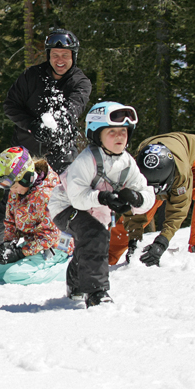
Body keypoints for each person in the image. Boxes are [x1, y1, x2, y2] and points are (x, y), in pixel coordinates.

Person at [0, 28, 92, 265]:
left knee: (68, 196)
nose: (60, 60)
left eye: (65, 56)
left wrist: (58, 123)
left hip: (61, 149)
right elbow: (10, 105)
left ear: (73, 57)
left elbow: (74, 107)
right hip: (27, 151)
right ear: (48, 55)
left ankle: (71, 245)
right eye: (55, 55)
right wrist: (32, 125)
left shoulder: (80, 82)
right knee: (15, 196)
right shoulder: (31, 77)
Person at [48, 101, 155, 307]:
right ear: (97, 134)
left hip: (96, 213)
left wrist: (137, 200)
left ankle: (76, 284)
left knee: (92, 241)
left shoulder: (127, 163)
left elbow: (146, 191)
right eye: (112, 132)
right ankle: (97, 292)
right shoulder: (87, 160)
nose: (119, 136)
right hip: (65, 208)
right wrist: (103, 198)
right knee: (95, 235)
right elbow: (78, 197)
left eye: (123, 131)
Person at [0, 147, 74, 285]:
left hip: (56, 246)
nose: (12, 190)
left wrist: (21, 253)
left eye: (14, 186)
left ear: (26, 177)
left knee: (14, 277)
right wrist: (9, 244)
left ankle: (72, 270)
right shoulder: (17, 191)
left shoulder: (47, 195)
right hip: (34, 245)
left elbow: (50, 236)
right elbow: (10, 221)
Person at [108, 133, 195, 266]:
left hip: (190, 159)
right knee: (140, 208)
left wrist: (162, 242)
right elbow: (133, 210)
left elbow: (179, 210)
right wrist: (133, 239)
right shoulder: (133, 170)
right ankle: (104, 257)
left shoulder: (181, 173)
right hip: (157, 169)